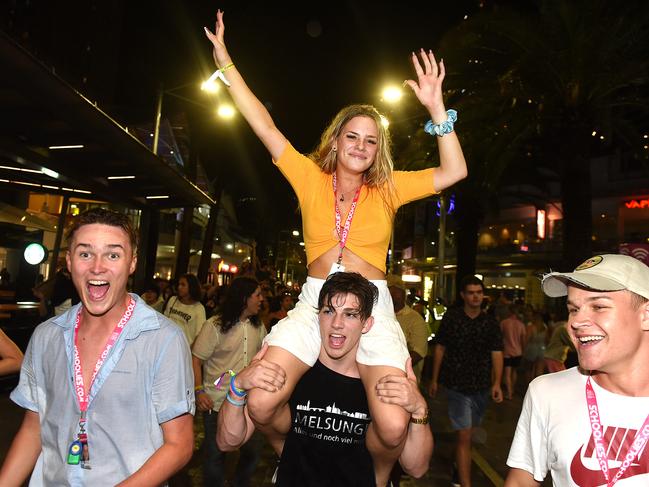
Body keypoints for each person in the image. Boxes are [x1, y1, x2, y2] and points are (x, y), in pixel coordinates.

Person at [203, 11, 466, 484]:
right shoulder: (309, 177)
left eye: (371, 140)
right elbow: (262, 124)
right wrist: (226, 64)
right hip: (315, 301)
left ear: (377, 150)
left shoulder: (389, 188)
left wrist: (435, 107)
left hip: (372, 307)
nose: (361, 145)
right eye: (353, 136)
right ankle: (289, 454)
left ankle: (376, 476)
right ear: (337, 139)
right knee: (261, 401)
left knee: (390, 424)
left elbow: (453, 172)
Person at [0, 208, 195, 485]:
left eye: (113, 254)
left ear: (132, 263)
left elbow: (180, 444)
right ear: (69, 261)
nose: (97, 266)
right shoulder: (46, 337)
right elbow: (34, 428)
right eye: (85, 253)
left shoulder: (163, 339)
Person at [215, 272, 433, 486]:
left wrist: (420, 410)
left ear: (366, 323)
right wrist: (237, 387)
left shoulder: (378, 387)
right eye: (329, 311)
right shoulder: (294, 372)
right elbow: (227, 442)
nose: (337, 323)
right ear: (318, 315)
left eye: (350, 314)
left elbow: (417, 468)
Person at [505, 254, 649, 486]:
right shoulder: (547, 393)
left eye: (599, 306)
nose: (576, 322)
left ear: (646, 315)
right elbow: (520, 482)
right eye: (573, 309)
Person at [429, 275, 504, 487]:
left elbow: (497, 352)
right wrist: (434, 379)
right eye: (471, 293)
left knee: (467, 435)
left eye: (479, 293)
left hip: (481, 386)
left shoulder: (490, 322)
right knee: (464, 436)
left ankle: (457, 468)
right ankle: (465, 483)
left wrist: (497, 383)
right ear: (463, 295)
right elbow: (440, 347)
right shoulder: (452, 318)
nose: (475, 297)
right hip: (456, 385)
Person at [192, 276, 266, 486]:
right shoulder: (214, 326)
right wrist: (199, 390)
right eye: (257, 295)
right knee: (214, 456)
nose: (262, 299)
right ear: (244, 298)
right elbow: (196, 359)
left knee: (252, 453)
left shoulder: (258, 327)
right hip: (216, 402)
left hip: (248, 403)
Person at [388, 278, 429, 382]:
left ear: (403, 296)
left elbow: (418, 352)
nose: (392, 298)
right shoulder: (378, 316)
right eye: (389, 293)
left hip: (405, 380)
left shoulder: (415, 319)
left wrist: (391, 369)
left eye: (396, 294)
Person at [164, 273, 206, 346]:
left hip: (184, 347)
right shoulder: (172, 300)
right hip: (167, 343)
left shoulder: (199, 308)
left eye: (183, 285)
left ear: (192, 287)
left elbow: (199, 335)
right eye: (179, 284)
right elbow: (165, 319)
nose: (179, 287)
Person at [500, 304, 527, 399]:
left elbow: (500, 337)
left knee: (507, 373)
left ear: (509, 312)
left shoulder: (504, 323)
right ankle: (512, 388)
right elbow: (523, 340)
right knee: (514, 372)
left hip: (507, 351)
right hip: (518, 351)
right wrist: (523, 351)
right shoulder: (521, 325)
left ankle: (509, 392)